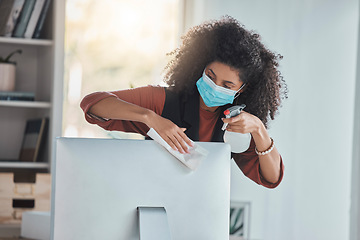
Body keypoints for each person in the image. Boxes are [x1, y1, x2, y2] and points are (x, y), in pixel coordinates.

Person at [80, 16, 287, 188]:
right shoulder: (163, 101)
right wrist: (150, 118)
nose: (215, 86)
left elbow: (271, 177)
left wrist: (259, 129)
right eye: (210, 75)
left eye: (227, 84)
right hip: (151, 201)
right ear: (200, 66)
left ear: (243, 88)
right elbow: (93, 103)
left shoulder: (238, 122)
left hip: (202, 212)